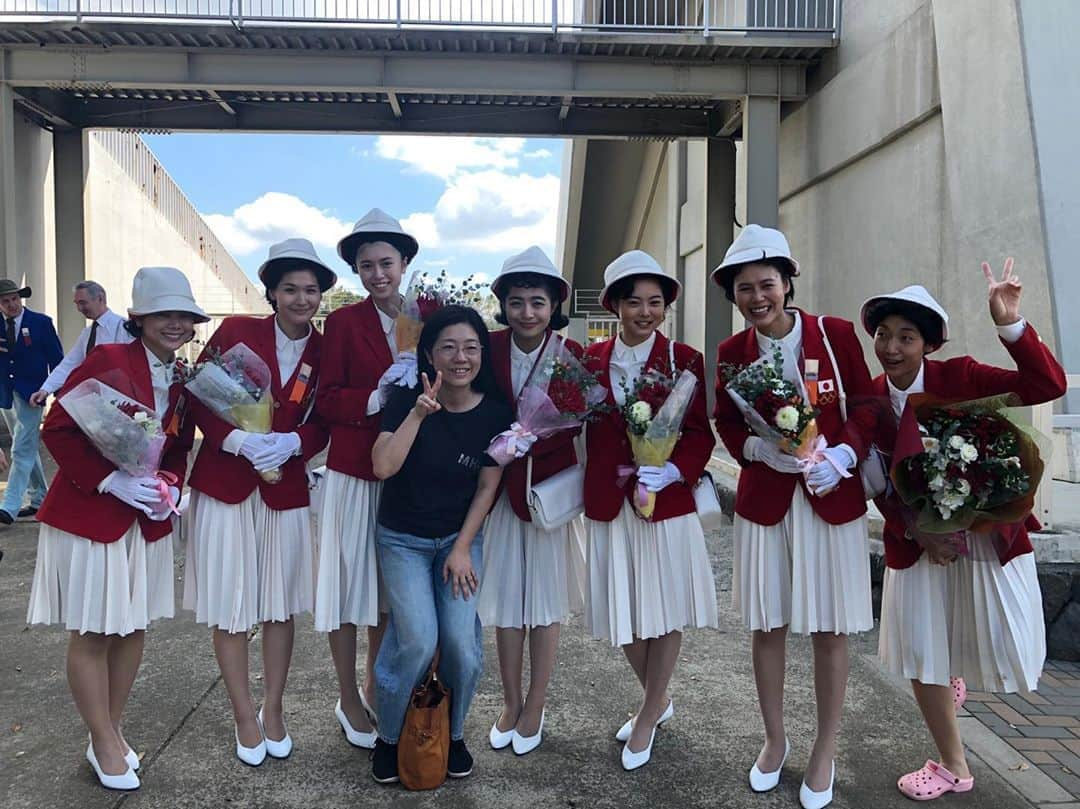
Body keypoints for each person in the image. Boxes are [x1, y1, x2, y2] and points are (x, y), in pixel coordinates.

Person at [862, 262, 1066, 801]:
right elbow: (878, 478)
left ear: (928, 344)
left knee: (992, 635)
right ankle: (954, 765)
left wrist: (1011, 325)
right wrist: (917, 529)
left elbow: (1046, 384)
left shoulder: (964, 377)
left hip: (982, 538)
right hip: (916, 543)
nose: (891, 347)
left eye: (907, 337)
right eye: (883, 335)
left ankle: (954, 675)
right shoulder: (869, 400)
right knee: (921, 648)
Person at [712, 225, 877, 809]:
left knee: (830, 629)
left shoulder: (832, 336)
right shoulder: (732, 354)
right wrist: (756, 452)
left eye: (766, 285)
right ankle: (775, 739)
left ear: (787, 282)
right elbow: (727, 424)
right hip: (767, 503)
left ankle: (824, 750)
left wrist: (843, 454)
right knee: (768, 624)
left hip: (829, 498)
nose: (757, 298)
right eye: (744, 290)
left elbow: (867, 406)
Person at [25, 266, 203, 791]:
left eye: (184, 316)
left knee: (132, 625)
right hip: (93, 514)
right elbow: (58, 426)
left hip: (142, 518)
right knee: (94, 629)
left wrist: (167, 485)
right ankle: (102, 739)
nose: (175, 324)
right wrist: (109, 481)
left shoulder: (183, 379)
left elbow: (174, 448)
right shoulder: (109, 360)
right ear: (140, 318)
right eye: (164, 314)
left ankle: (111, 727)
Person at [183, 239, 335, 766]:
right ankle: (243, 714)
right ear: (271, 291)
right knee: (229, 604)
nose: (300, 298)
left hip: (285, 488)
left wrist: (298, 443)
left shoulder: (324, 349)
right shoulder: (236, 333)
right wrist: (236, 441)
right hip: (227, 483)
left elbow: (326, 418)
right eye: (290, 288)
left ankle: (273, 709)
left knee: (278, 604)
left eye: (311, 289)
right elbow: (197, 394)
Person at [582, 250, 718, 772]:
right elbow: (569, 421)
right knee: (623, 610)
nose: (645, 311)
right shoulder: (590, 361)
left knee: (664, 608)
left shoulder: (683, 359)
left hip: (666, 503)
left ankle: (647, 713)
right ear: (615, 305)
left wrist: (675, 469)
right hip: (608, 501)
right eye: (634, 301)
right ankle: (656, 700)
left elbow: (700, 432)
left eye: (655, 302)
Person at [369, 305, 513, 785]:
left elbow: (488, 488)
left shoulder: (495, 412)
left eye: (471, 347)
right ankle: (388, 737)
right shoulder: (403, 398)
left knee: (462, 647)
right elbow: (383, 467)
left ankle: (450, 732)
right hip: (403, 540)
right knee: (416, 641)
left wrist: (462, 548)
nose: (460, 357)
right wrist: (416, 414)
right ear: (429, 353)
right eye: (448, 347)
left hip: (457, 540)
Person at [314, 209, 418, 749]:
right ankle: (347, 696)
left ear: (405, 263)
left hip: (407, 473)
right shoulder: (343, 323)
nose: (377, 274)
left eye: (386, 262)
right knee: (346, 589)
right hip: (354, 472)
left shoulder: (430, 315)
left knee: (385, 594)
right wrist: (377, 396)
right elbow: (327, 398)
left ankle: (379, 689)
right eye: (366, 265)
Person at [478, 246, 586, 756]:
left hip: (546, 494)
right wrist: (500, 440)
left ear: (554, 305)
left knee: (543, 603)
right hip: (497, 492)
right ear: (503, 303)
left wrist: (535, 438)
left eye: (537, 302)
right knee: (504, 602)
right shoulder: (486, 347)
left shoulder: (571, 356)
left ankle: (537, 702)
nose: (526, 312)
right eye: (516, 301)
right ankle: (510, 700)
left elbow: (578, 419)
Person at [0, 278, 63, 524]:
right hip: (6, 392)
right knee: (24, 445)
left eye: (15, 298)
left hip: (33, 394)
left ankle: (9, 506)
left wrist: (58, 391)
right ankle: (39, 499)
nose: (12, 304)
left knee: (20, 448)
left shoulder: (41, 323)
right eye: (6, 301)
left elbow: (57, 360)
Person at [31, 281, 132, 406]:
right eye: (77, 304)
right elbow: (69, 364)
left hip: (120, 400)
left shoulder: (122, 327)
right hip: (94, 400)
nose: (79, 309)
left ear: (100, 298)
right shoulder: (87, 333)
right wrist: (45, 390)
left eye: (83, 303)